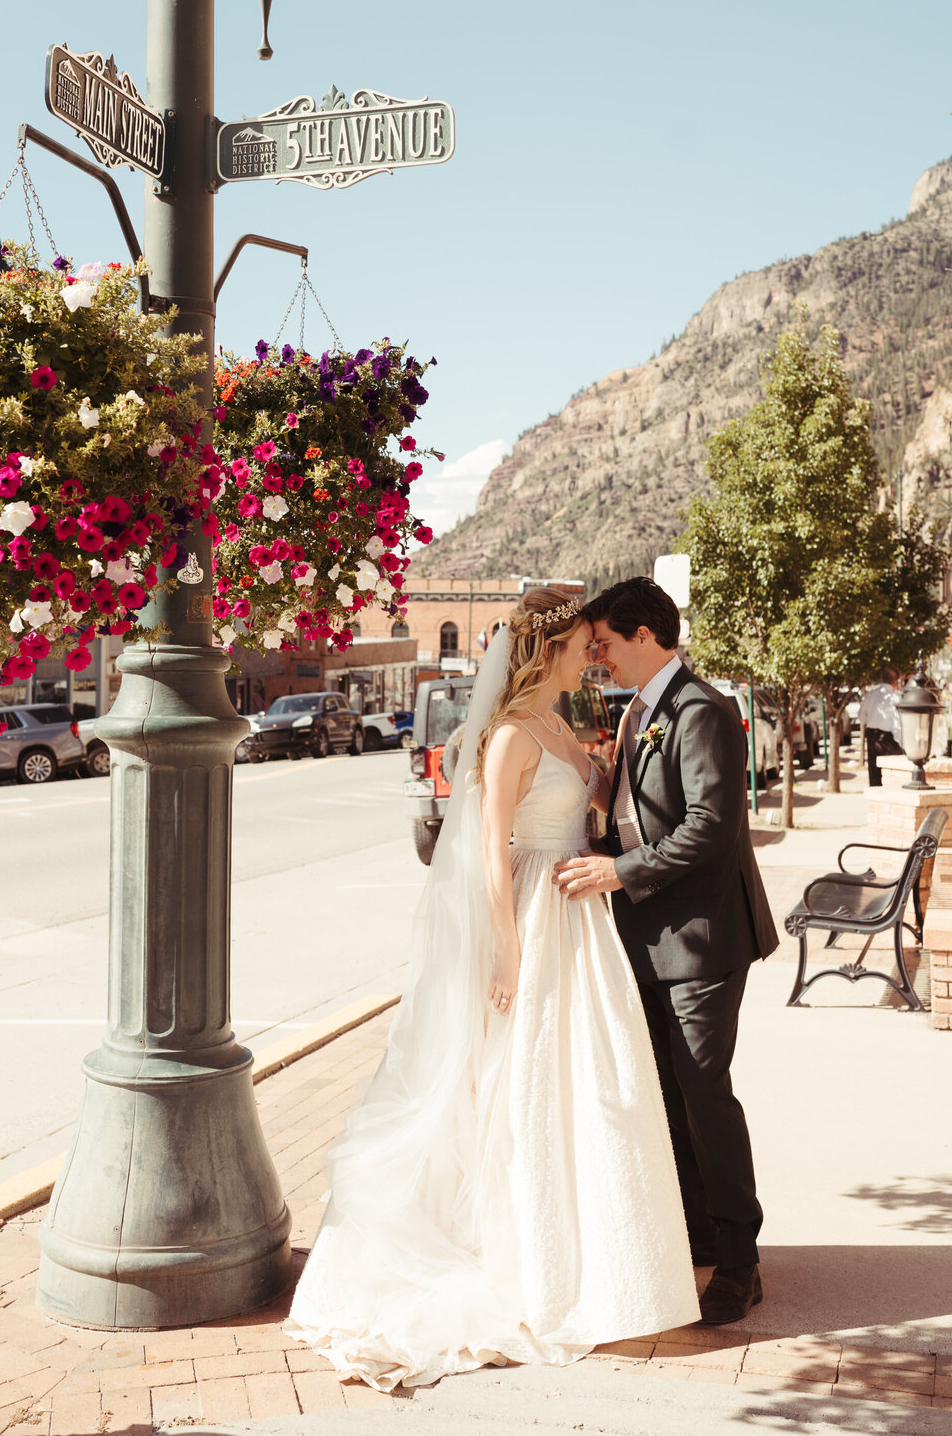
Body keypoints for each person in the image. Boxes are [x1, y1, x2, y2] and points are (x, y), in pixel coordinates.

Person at [285, 588, 700, 1390]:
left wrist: (603, 779)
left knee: (587, 1086)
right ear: (547, 651)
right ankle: (532, 1261)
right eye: (582, 646)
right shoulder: (511, 735)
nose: (592, 656)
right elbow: (485, 848)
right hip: (536, 914)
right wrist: (507, 951)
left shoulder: (559, 725)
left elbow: (586, 811)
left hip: (580, 913)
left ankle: (599, 1261)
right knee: (526, 1082)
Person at [555, 577, 778, 1326]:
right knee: (667, 1093)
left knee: (703, 1090)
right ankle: (697, 1233)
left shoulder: (700, 710)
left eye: (606, 645)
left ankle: (740, 1262)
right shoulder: (638, 715)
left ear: (644, 636)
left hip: (701, 937)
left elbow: (713, 825)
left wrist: (619, 871)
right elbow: (638, 816)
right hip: (645, 933)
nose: (598, 659)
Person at [859, 667, 903, 788]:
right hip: (887, 738)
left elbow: (861, 716)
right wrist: (901, 744)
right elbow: (897, 725)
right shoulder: (895, 698)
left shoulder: (870, 695)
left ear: (882, 678)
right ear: (895, 681)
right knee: (892, 771)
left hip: (872, 736)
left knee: (874, 773)